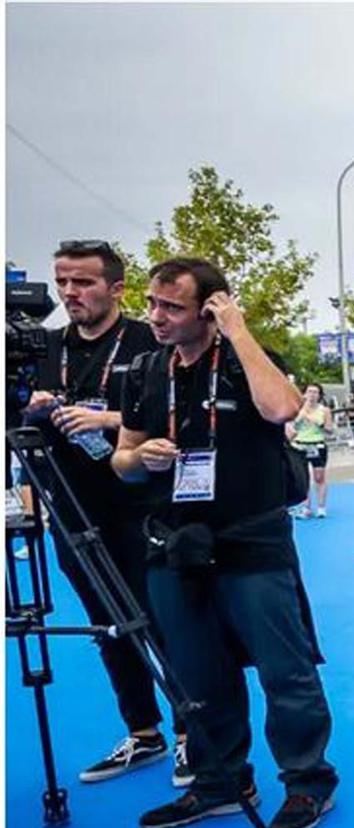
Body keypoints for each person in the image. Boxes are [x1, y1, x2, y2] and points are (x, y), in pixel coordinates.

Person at [110, 257, 337, 828]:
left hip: (252, 542)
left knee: (285, 672)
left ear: (211, 308)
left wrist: (236, 330)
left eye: (172, 307)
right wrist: (141, 459)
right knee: (197, 675)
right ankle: (221, 783)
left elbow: (283, 409)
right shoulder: (143, 371)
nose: (156, 317)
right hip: (175, 546)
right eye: (152, 305)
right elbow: (122, 458)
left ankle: (308, 782)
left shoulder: (246, 363)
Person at [25, 239, 177, 786]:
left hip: (140, 507)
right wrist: (31, 407)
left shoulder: (146, 340)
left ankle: (190, 735)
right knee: (108, 626)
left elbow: (173, 415)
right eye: (63, 281)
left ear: (115, 288)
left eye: (84, 282)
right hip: (70, 510)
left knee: (163, 620)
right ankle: (143, 733)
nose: (71, 293)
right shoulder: (41, 346)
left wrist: (106, 420)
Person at [287, 384, 332, 518]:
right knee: (302, 477)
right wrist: (300, 417)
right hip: (300, 445)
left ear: (319, 395)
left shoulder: (324, 410)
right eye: (309, 392)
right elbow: (291, 427)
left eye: (315, 392)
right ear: (304, 394)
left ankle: (321, 507)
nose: (312, 395)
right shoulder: (298, 409)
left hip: (317, 445)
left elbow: (329, 430)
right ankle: (306, 507)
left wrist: (317, 422)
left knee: (319, 477)